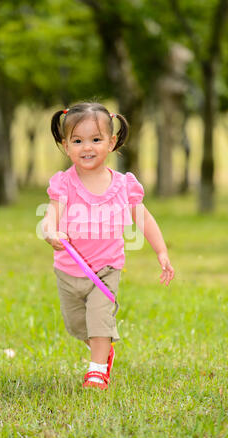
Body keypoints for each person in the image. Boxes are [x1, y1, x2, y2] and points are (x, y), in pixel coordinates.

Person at [41, 101, 175, 390]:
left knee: (100, 318)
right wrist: (51, 232)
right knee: (78, 325)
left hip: (106, 268)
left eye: (96, 139)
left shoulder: (124, 185)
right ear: (66, 146)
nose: (87, 147)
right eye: (77, 140)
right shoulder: (64, 184)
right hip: (69, 269)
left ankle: (97, 370)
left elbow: (145, 219)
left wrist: (161, 251)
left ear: (112, 142)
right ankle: (102, 350)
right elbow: (52, 215)